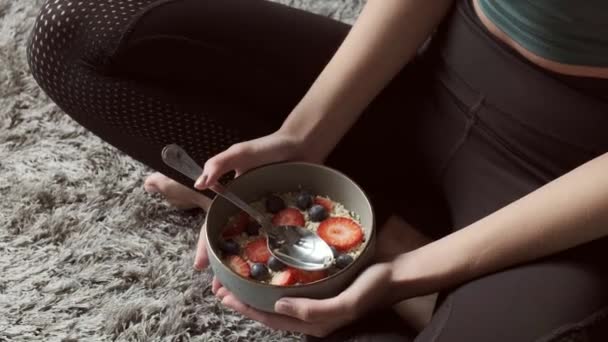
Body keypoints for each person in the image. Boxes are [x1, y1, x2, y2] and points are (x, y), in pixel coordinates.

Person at [26, 0, 608, 341]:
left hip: (561, 184)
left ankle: (394, 270)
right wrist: (302, 136)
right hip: (428, 87)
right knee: (73, 36)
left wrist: (407, 274)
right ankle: (368, 238)